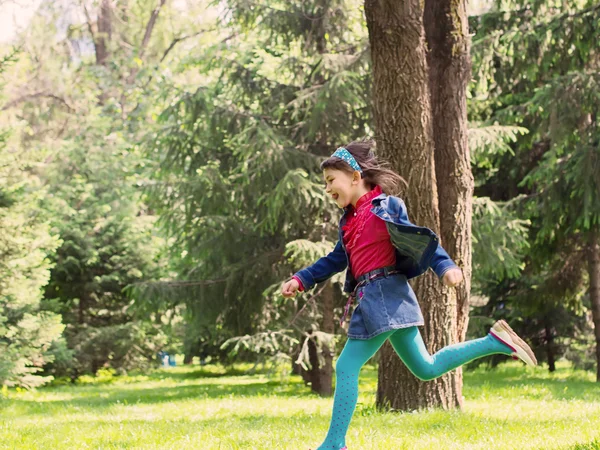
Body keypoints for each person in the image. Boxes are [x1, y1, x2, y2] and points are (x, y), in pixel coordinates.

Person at [280, 140, 537, 450]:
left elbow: (419, 238)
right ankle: (494, 340)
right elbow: (336, 259)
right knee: (426, 368)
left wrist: (445, 267)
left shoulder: (385, 207)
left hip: (384, 295)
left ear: (355, 176)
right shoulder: (348, 222)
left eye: (331, 180)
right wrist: (300, 279)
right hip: (380, 298)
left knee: (346, 366)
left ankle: (334, 444)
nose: (327, 188)